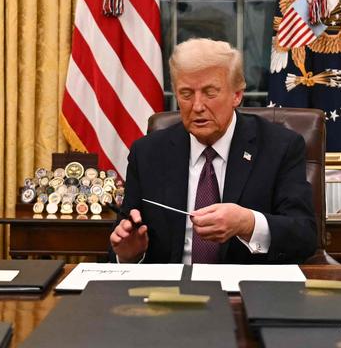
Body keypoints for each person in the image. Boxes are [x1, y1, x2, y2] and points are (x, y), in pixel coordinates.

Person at [110, 38, 316, 264]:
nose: (197, 106)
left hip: (246, 290)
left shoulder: (280, 147)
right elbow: (123, 237)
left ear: (236, 95)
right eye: (187, 94)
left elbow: (304, 236)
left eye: (210, 93)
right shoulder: (147, 153)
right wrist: (129, 254)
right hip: (169, 290)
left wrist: (248, 223)